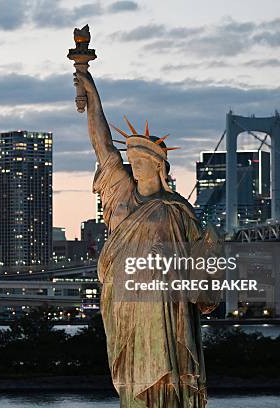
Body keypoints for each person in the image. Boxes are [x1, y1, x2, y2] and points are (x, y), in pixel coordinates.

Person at [74, 71, 218, 408]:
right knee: (134, 378)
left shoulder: (178, 209)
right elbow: (102, 144)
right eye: (132, 161)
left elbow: (201, 259)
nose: (134, 167)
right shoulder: (122, 191)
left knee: (168, 372)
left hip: (166, 302)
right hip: (126, 301)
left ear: (160, 168)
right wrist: (90, 89)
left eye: (141, 162)